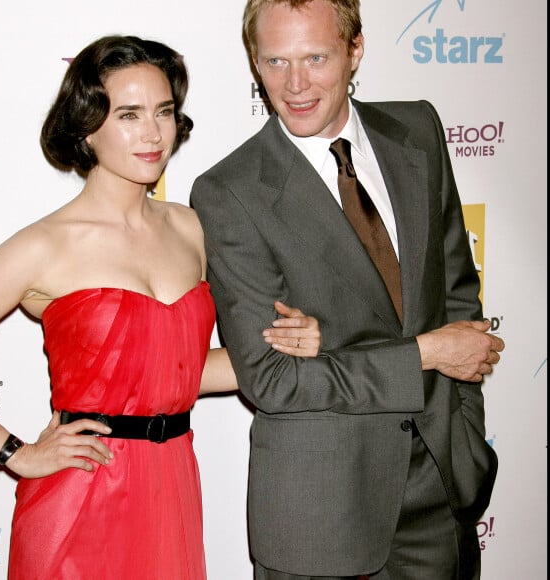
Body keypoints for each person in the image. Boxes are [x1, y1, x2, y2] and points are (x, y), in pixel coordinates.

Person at [0, 35, 322, 580]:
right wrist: (16, 453)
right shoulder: (43, 246)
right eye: (129, 115)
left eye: (163, 112)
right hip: (81, 493)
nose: (154, 133)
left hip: (172, 482)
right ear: (87, 126)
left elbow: (180, 372)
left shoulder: (190, 227)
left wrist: (289, 342)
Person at [190, 1, 506, 578]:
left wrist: (465, 433)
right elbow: (271, 378)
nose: (295, 84)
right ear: (255, 64)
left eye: (315, 57)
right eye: (275, 61)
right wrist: (429, 354)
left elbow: (458, 294)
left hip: (442, 487)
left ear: (355, 49)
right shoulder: (229, 193)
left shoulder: (419, 131)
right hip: (323, 514)